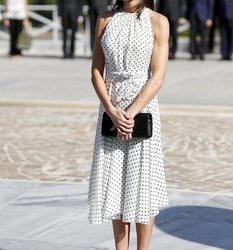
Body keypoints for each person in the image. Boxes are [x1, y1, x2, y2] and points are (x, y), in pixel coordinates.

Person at [87, 0, 169, 249]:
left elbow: (158, 75)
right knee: (116, 186)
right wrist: (112, 111)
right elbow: (96, 71)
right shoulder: (105, 18)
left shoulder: (158, 21)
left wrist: (131, 114)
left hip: (142, 109)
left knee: (143, 185)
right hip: (112, 107)